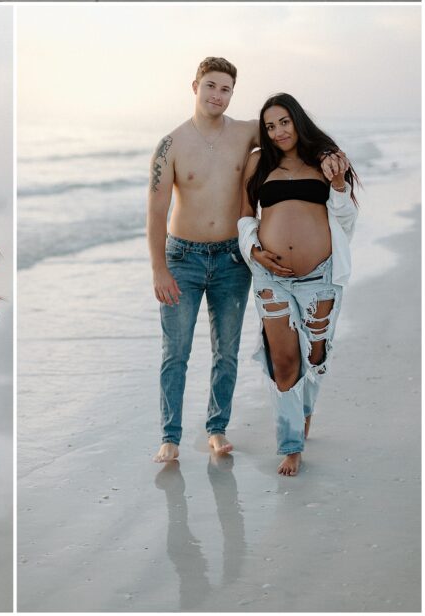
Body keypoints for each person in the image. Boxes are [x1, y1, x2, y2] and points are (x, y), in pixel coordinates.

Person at [147, 59, 344, 464]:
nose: (217, 95)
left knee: (227, 351)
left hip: (232, 259)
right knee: (176, 351)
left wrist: (329, 156)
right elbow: (155, 210)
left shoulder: (246, 133)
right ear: (195, 87)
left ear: (232, 94)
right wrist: (158, 268)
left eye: (225, 89)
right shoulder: (171, 144)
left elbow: (295, 134)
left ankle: (216, 429)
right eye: (210, 86)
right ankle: (170, 436)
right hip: (182, 255)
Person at [238, 94, 357, 476]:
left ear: (298, 121)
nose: (278, 132)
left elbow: (346, 220)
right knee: (284, 359)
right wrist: (254, 250)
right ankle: (291, 445)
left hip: (320, 278)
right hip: (271, 278)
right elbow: (245, 216)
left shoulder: (326, 160)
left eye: (284, 122)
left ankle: (305, 409)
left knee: (315, 356)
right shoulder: (259, 163)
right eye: (270, 126)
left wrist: (337, 183)